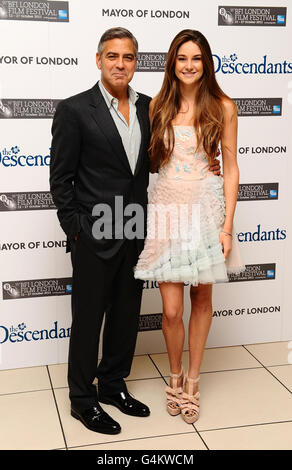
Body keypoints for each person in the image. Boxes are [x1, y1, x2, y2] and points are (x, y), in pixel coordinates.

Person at [50, 27, 222, 435]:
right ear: (98, 60)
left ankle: (113, 384)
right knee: (88, 319)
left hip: (138, 228)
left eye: (128, 57)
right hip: (94, 232)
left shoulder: (151, 106)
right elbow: (61, 179)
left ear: (136, 63)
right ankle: (82, 399)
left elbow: (174, 150)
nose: (120, 64)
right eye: (112, 56)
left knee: (126, 315)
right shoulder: (75, 110)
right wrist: (77, 230)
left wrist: (207, 166)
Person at [134, 29, 245, 424]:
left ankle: (192, 383)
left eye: (196, 58)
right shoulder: (156, 106)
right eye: (182, 58)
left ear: (207, 62)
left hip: (206, 209)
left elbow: (230, 168)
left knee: (201, 300)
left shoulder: (224, 107)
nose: (189, 65)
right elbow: (148, 161)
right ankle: (174, 375)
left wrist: (227, 225)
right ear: (172, 63)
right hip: (167, 209)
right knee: (170, 309)